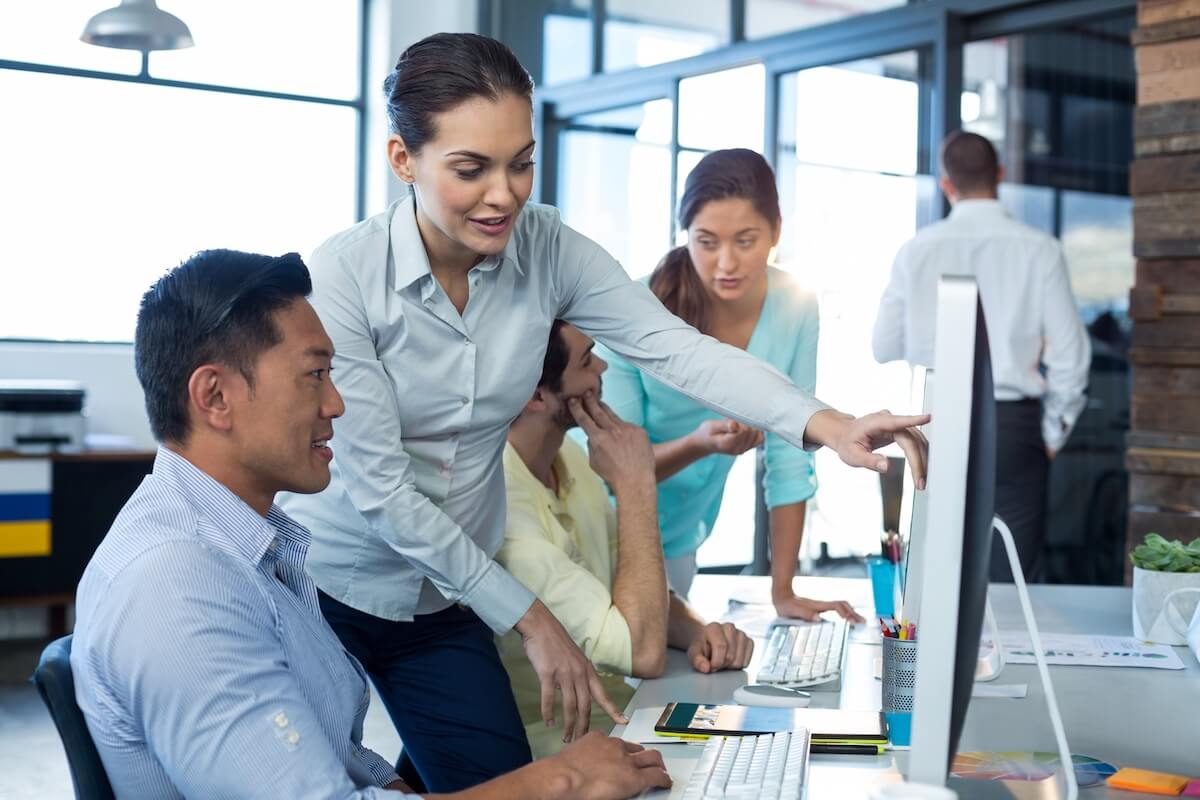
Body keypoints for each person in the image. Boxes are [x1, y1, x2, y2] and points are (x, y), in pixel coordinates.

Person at [279, 33, 927, 791]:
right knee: (321, 783)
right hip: (336, 585)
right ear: (403, 160)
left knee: (492, 773)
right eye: (471, 168)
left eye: (521, 162)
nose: (505, 193)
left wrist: (829, 424)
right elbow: (386, 494)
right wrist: (531, 618)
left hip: (447, 595)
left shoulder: (548, 248)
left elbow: (676, 348)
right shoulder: (345, 277)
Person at [70, 249, 671, 800]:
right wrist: (560, 780)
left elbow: (345, 763)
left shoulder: (252, 546)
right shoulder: (177, 586)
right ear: (216, 397)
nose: (336, 405)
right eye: (315, 375)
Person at [593, 148, 864, 619]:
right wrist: (700, 444)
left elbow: (789, 456)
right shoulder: (636, 309)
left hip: (680, 535)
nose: (726, 263)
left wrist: (784, 592)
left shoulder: (795, 306)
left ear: (776, 232)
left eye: (746, 240)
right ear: (686, 236)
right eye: (707, 241)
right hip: (598, 524)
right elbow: (616, 468)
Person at [497, 321, 755, 757]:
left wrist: (696, 631)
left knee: (764, 746)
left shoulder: (567, 455)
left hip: (623, 715)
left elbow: (636, 588)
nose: (601, 367)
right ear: (536, 395)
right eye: (586, 361)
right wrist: (636, 482)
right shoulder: (503, 506)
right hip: (559, 745)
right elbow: (642, 653)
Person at [872, 131, 1090, 581]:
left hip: (934, 419)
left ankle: (933, 655)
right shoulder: (1040, 249)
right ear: (1001, 176)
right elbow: (1071, 356)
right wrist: (1053, 432)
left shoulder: (915, 251)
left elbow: (884, 346)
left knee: (937, 569)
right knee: (1009, 572)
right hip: (1013, 426)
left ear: (946, 183)